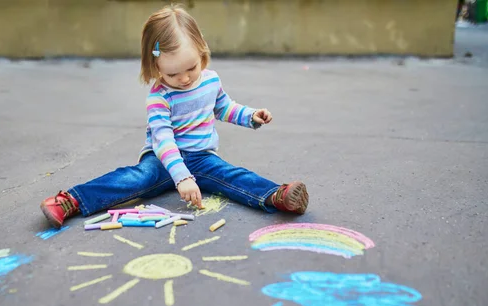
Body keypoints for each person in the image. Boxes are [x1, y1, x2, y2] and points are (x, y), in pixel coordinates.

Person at [40, 4, 309, 228]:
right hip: (162, 159)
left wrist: (251, 116)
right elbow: (163, 138)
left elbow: (224, 107)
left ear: (201, 49)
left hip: (202, 158)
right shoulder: (160, 96)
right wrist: (181, 176)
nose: (183, 78)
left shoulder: (210, 81)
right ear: (155, 66)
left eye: (191, 68)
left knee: (230, 175)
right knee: (136, 179)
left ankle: (276, 196)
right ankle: (71, 201)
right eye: (171, 74)